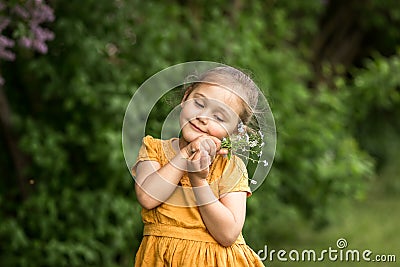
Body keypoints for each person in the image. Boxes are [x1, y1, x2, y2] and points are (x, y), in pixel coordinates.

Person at [132, 66, 265, 266]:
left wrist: (198, 180)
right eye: (199, 103)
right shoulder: (155, 150)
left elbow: (228, 234)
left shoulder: (230, 167)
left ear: (235, 132)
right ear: (186, 98)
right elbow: (148, 197)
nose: (203, 117)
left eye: (219, 117)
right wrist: (185, 155)